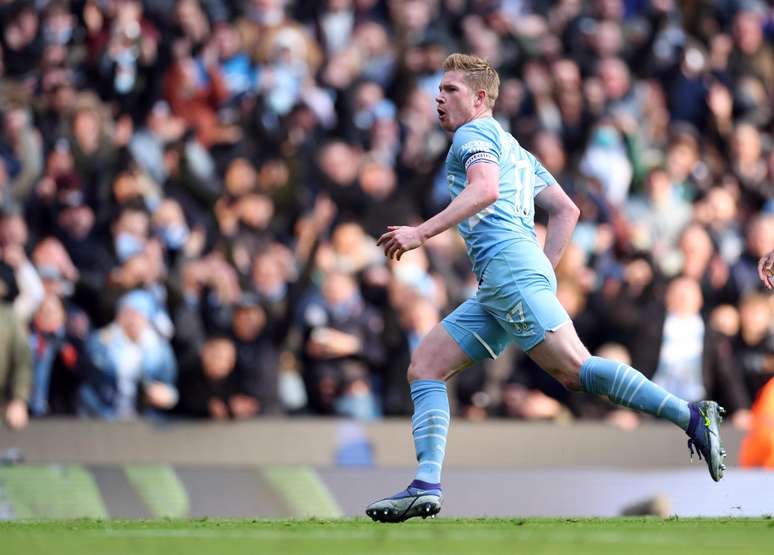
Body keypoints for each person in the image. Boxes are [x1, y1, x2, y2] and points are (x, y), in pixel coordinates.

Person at [366, 54, 727, 523]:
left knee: (575, 370)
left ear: (479, 99)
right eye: (439, 89)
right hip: (507, 280)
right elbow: (567, 209)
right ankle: (425, 485)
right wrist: (544, 271)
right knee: (426, 367)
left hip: (508, 271)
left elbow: (484, 190)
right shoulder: (516, 148)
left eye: (451, 90)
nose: (439, 97)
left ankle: (691, 416)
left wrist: (419, 233)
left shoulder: (472, 135)